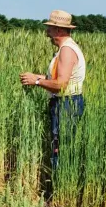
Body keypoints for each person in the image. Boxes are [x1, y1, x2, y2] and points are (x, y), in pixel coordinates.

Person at [19, 10, 86, 169]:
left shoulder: (67, 50)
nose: (47, 32)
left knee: (60, 148)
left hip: (67, 105)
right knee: (61, 146)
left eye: (49, 28)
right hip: (67, 103)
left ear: (58, 30)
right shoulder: (65, 49)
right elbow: (59, 78)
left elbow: (61, 85)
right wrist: (38, 77)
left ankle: (60, 187)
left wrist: (36, 81)